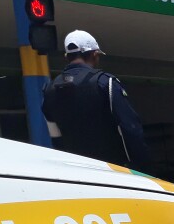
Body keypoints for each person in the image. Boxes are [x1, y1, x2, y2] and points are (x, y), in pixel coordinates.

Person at [42, 30, 149, 170]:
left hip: (78, 171)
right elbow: (130, 128)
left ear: (67, 56)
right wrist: (143, 166)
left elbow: (55, 136)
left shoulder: (49, 89)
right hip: (114, 169)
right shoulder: (105, 82)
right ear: (94, 54)